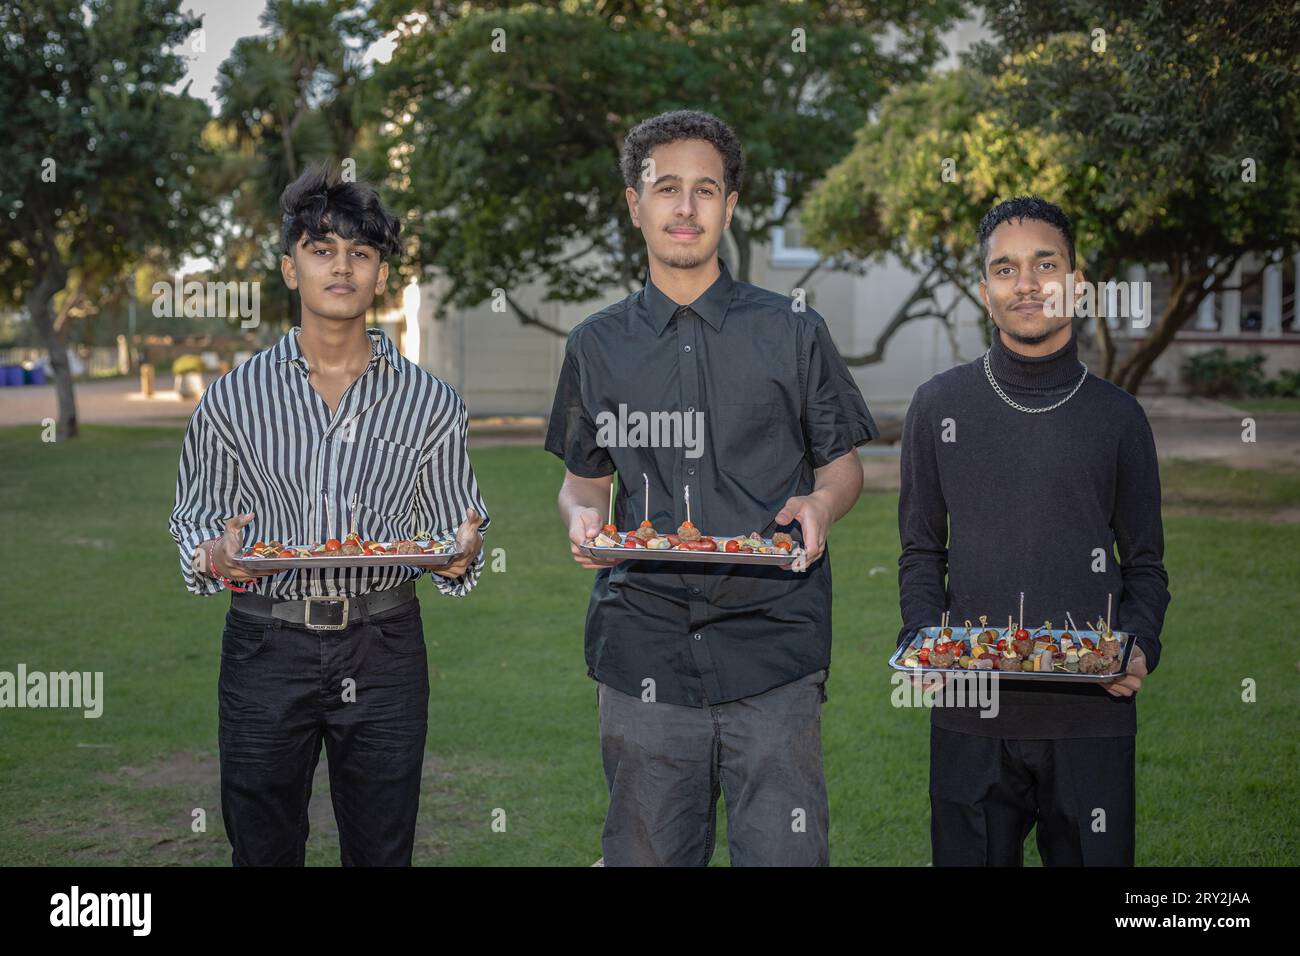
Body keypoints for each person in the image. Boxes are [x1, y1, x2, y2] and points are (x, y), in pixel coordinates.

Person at [546, 110, 878, 866]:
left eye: (706, 189)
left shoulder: (793, 330)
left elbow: (842, 465)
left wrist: (822, 504)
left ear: (730, 207)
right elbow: (582, 484)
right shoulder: (595, 345)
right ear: (636, 204)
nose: (686, 207)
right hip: (642, 647)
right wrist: (582, 521)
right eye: (667, 188)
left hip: (774, 647)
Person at [168, 164, 489, 866]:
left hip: (385, 644)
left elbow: (450, 528)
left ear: (380, 275)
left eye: (361, 252)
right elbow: (195, 517)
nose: (341, 265)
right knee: (262, 848)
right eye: (321, 249)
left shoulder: (431, 403)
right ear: (291, 268)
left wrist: (462, 552)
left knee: (381, 849)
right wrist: (211, 554)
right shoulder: (232, 398)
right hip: (265, 644)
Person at [897, 195, 1171, 866]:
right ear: (985, 290)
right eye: (1005, 268)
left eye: (1045, 265)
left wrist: (1136, 645)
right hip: (971, 708)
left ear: (1077, 284)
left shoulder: (1119, 418)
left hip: (1089, 714)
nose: (1027, 284)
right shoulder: (938, 407)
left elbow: (1145, 566)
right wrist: (922, 637)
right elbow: (921, 552)